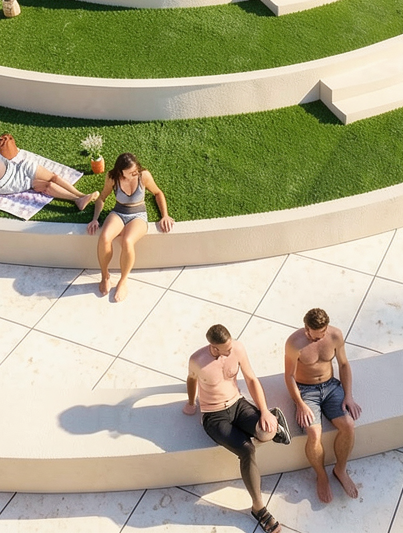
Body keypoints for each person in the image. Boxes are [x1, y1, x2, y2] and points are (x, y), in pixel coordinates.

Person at [185, 324, 291, 533]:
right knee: (247, 450)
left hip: (238, 403)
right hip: (214, 415)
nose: (230, 351)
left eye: (230, 346)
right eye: (225, 350)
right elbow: (191, 379)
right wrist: (190, 403)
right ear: (214, 347)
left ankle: (274, 418)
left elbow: (251, 379)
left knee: (267, 432)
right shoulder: (197, 360)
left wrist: (264, 411)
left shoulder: (237, 348)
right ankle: (258, 508)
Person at [284, 307, 362, 503]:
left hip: (331, 386)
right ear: (306, 329)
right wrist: (300, 404)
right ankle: (321, 475)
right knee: (314, 433)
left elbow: (343, 364)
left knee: (349, 425)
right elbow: (289, 376)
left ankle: (340, 470)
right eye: (315, 336)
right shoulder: (294, 343)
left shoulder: (335, 335)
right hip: (306, 391)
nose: (319, 338)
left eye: (323, 333)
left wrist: (348, 396)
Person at [0, 123, 99, 208]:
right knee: (48, 184)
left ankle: (82, 195)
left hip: (13, 168)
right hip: (4, 182)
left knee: (53, 177)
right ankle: (77, 199)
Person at [85, 153, 171, 301]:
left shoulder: (143, 175)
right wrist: (95, 219)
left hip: (138, 215)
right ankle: (105, 276)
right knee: (104, 237)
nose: (133, 174)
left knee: (127, 241)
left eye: (135, 171)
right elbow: (102, 198)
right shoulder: (112, 178)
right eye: (129, 173)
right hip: (119, 212)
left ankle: (123, 281)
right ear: (120, 171)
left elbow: (157, 193)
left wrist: (165, 215)